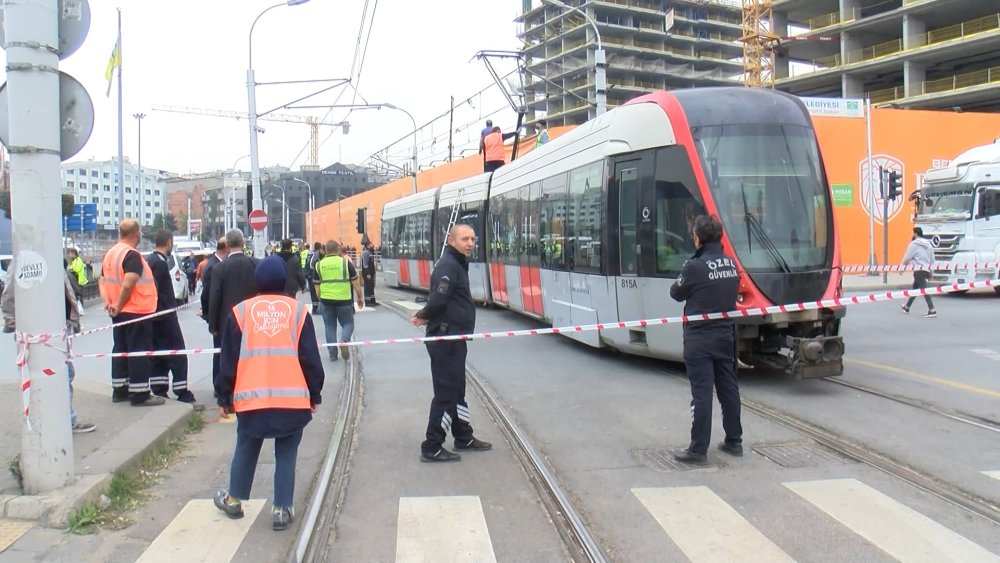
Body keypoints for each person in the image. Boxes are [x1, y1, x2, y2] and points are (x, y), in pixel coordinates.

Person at [213, 255, 325, 531]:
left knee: (246, 447)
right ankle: (282, 509)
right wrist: (315, 394)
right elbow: (310, 358)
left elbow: (228, 360)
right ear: (285, 280)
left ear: (257, 281)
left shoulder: (240, 312)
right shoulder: (298, 312)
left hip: (252, 400)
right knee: (286, 453)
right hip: (292, 399)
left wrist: (224, 396)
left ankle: (234, 499)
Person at [410, 224, 491, 462]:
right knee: (446, 393)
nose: (470, 243)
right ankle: (432, 445)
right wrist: (424, 315)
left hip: (454, 337)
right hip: (445, 338)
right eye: (465, 239)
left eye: (473, 239)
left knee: (457, 390)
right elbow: (439, 299)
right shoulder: (448, 266)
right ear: (451, 241)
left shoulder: (456, 264)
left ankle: (463, 436)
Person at [669, 215, 742, 464]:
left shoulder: (694, 266)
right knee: (728, 388)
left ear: (698, 238)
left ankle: (698, 449)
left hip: (699, 337)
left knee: (701, 392)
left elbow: (676, 293)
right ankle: (734, 441)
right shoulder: (731, 264)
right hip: (725, 334)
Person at [2, 257, 95, 432]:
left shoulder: (51, 253)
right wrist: (14, 323)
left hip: (59, 328)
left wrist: (73, 319)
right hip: (38, 332)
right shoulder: (25, 258)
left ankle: (63, 419)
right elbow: (9, 294)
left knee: (65, 373)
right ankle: (54, 421)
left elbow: (66, 291)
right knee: (45, 376)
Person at [100, 219, 163, 406]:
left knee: (120, 349)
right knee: (139, 351)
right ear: (136, 234)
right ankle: (140, 393)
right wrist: (119, 304)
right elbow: (129, 283)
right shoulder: (131, 255)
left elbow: (103, 281)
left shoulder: (111, 253)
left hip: (119, 312)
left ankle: (120, 390)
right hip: (136, 310)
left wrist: (110, 303)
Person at [145, 230, 196, 403]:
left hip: (155, 316)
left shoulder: (150, 261)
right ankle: (182, 391)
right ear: (168, 242)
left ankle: (159, 388)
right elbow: (157, 291)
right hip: (164, 316)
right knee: (178, 353)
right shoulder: (159, 263)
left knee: (159, 355)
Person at [208, 229, 260, 346]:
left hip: (228, 322)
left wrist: (213, 326)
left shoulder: (219, 268)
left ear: (226, 244)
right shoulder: (257, 264)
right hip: (253, 321)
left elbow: (215, 298)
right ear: (243, 243)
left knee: (229, 359)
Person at [314, 240, 363, 361]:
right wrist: (360, 297)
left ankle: (332, 354)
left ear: (325, 250)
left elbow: (316, 287)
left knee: (329, 327)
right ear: (338, 249)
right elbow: (356, 283)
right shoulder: (345, 263)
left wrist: (321, 299)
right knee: (348, 324)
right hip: (344, 300)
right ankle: (344, 341)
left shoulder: (319, 265)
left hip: (326, 300)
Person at [901, 226, 937, 318]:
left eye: (913, 233)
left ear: (915, 234)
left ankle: (932, 309)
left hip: (918, 270)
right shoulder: (929, 245)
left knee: (924, 290)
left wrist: (902, 267)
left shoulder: (914, 244)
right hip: (926, 269)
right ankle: (907, 306)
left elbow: (908, 257)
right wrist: (932, 272)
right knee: (915, 289)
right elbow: (932, 259)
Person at [306, 242, 325, 314]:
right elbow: (312, 264)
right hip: (312, 274)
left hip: (308, 274)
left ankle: (315, 308)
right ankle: (316, 309)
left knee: (312, 292)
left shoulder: (310, 253)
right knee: (316, 291)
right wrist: (316, 268)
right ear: (320, 248)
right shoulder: (316, 254)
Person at [361, 242, 377, 306]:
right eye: (370, 244)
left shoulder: (370, 252)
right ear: (367, 245)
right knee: (367, 286)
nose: (372, 245)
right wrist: (368, 273)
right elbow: (365, 264)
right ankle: (368, 302)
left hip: (371, 272)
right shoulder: (366, 252)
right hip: (367, 273)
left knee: (371, 286)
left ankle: (372, 300)